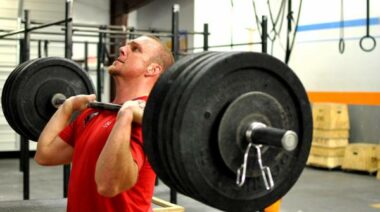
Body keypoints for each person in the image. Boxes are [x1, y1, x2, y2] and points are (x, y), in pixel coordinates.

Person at [34, 35, 175, 212]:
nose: (123, 49)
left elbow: (108, 185)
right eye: (126, 46)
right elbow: (45, 155)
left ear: (153, 69)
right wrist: (67, 107)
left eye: (135, 49)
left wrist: (125, 117)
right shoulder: (94, 112)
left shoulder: (146, 120)